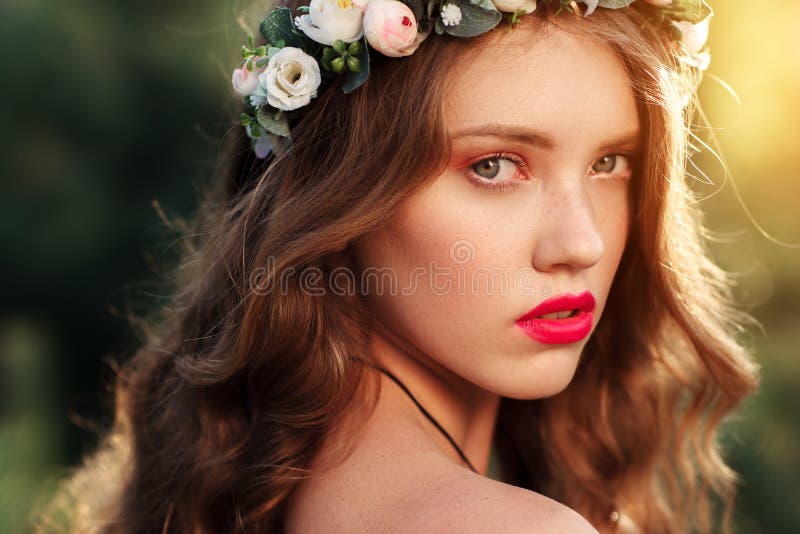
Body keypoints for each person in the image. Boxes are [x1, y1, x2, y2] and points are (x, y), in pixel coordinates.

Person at [36, 0, 761, 532]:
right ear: (344, 198)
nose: (582, 243)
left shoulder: (254, 493)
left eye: (610, 162)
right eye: (495, 165)